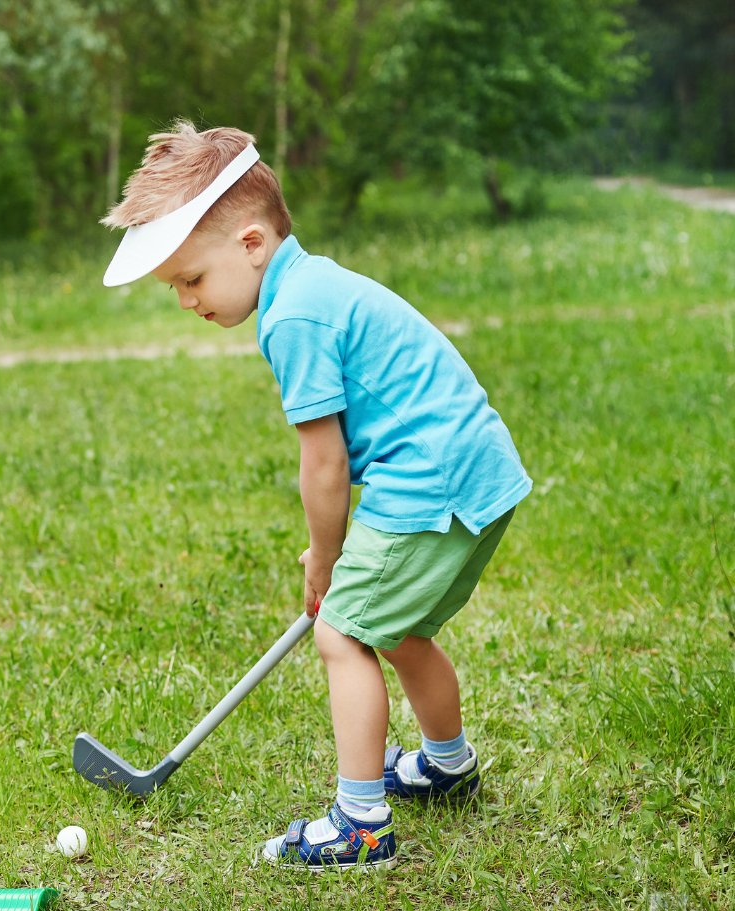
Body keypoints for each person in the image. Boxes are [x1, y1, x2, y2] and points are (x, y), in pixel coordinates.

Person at [101, 121, 531, 871]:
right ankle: (445, 764)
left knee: (341, 632)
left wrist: (324, 559)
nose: (185, 302)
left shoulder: (295, 315)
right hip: (474, 473)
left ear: (251, 243)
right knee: (395, 627)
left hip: (430, 482)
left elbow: (325, 463)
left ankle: (362, 823)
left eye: (190, 280)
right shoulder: (312, 283)